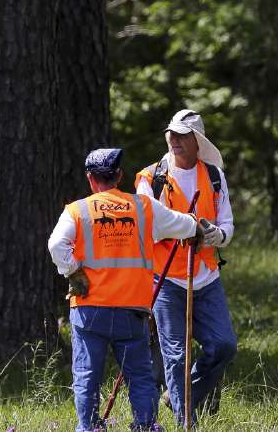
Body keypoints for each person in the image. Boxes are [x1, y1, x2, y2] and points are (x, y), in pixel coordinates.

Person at [48, 148, 222, 432]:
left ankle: (89, 428)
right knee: (140, 376)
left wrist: (72, 270)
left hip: (90, 309)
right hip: (132, 310)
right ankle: (145, 425)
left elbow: (56, 246)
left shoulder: (77, 210)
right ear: (119, 176)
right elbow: (183, 224)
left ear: (91, 179)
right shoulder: (144, 207)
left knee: (87, 375)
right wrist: (198, 227)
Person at [135, 109, 237, 427]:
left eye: (182, 135)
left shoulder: (215, 176)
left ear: (197, 142)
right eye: (171, 133)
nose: (174, 140)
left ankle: (181, 394)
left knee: (223, 345)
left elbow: (227, 226)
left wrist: (214, 235)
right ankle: (185, 421)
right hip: (165, 278)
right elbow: (145, 221)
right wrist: (186, 227)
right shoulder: (151, 177)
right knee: (176, 354)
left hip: (206, 276)